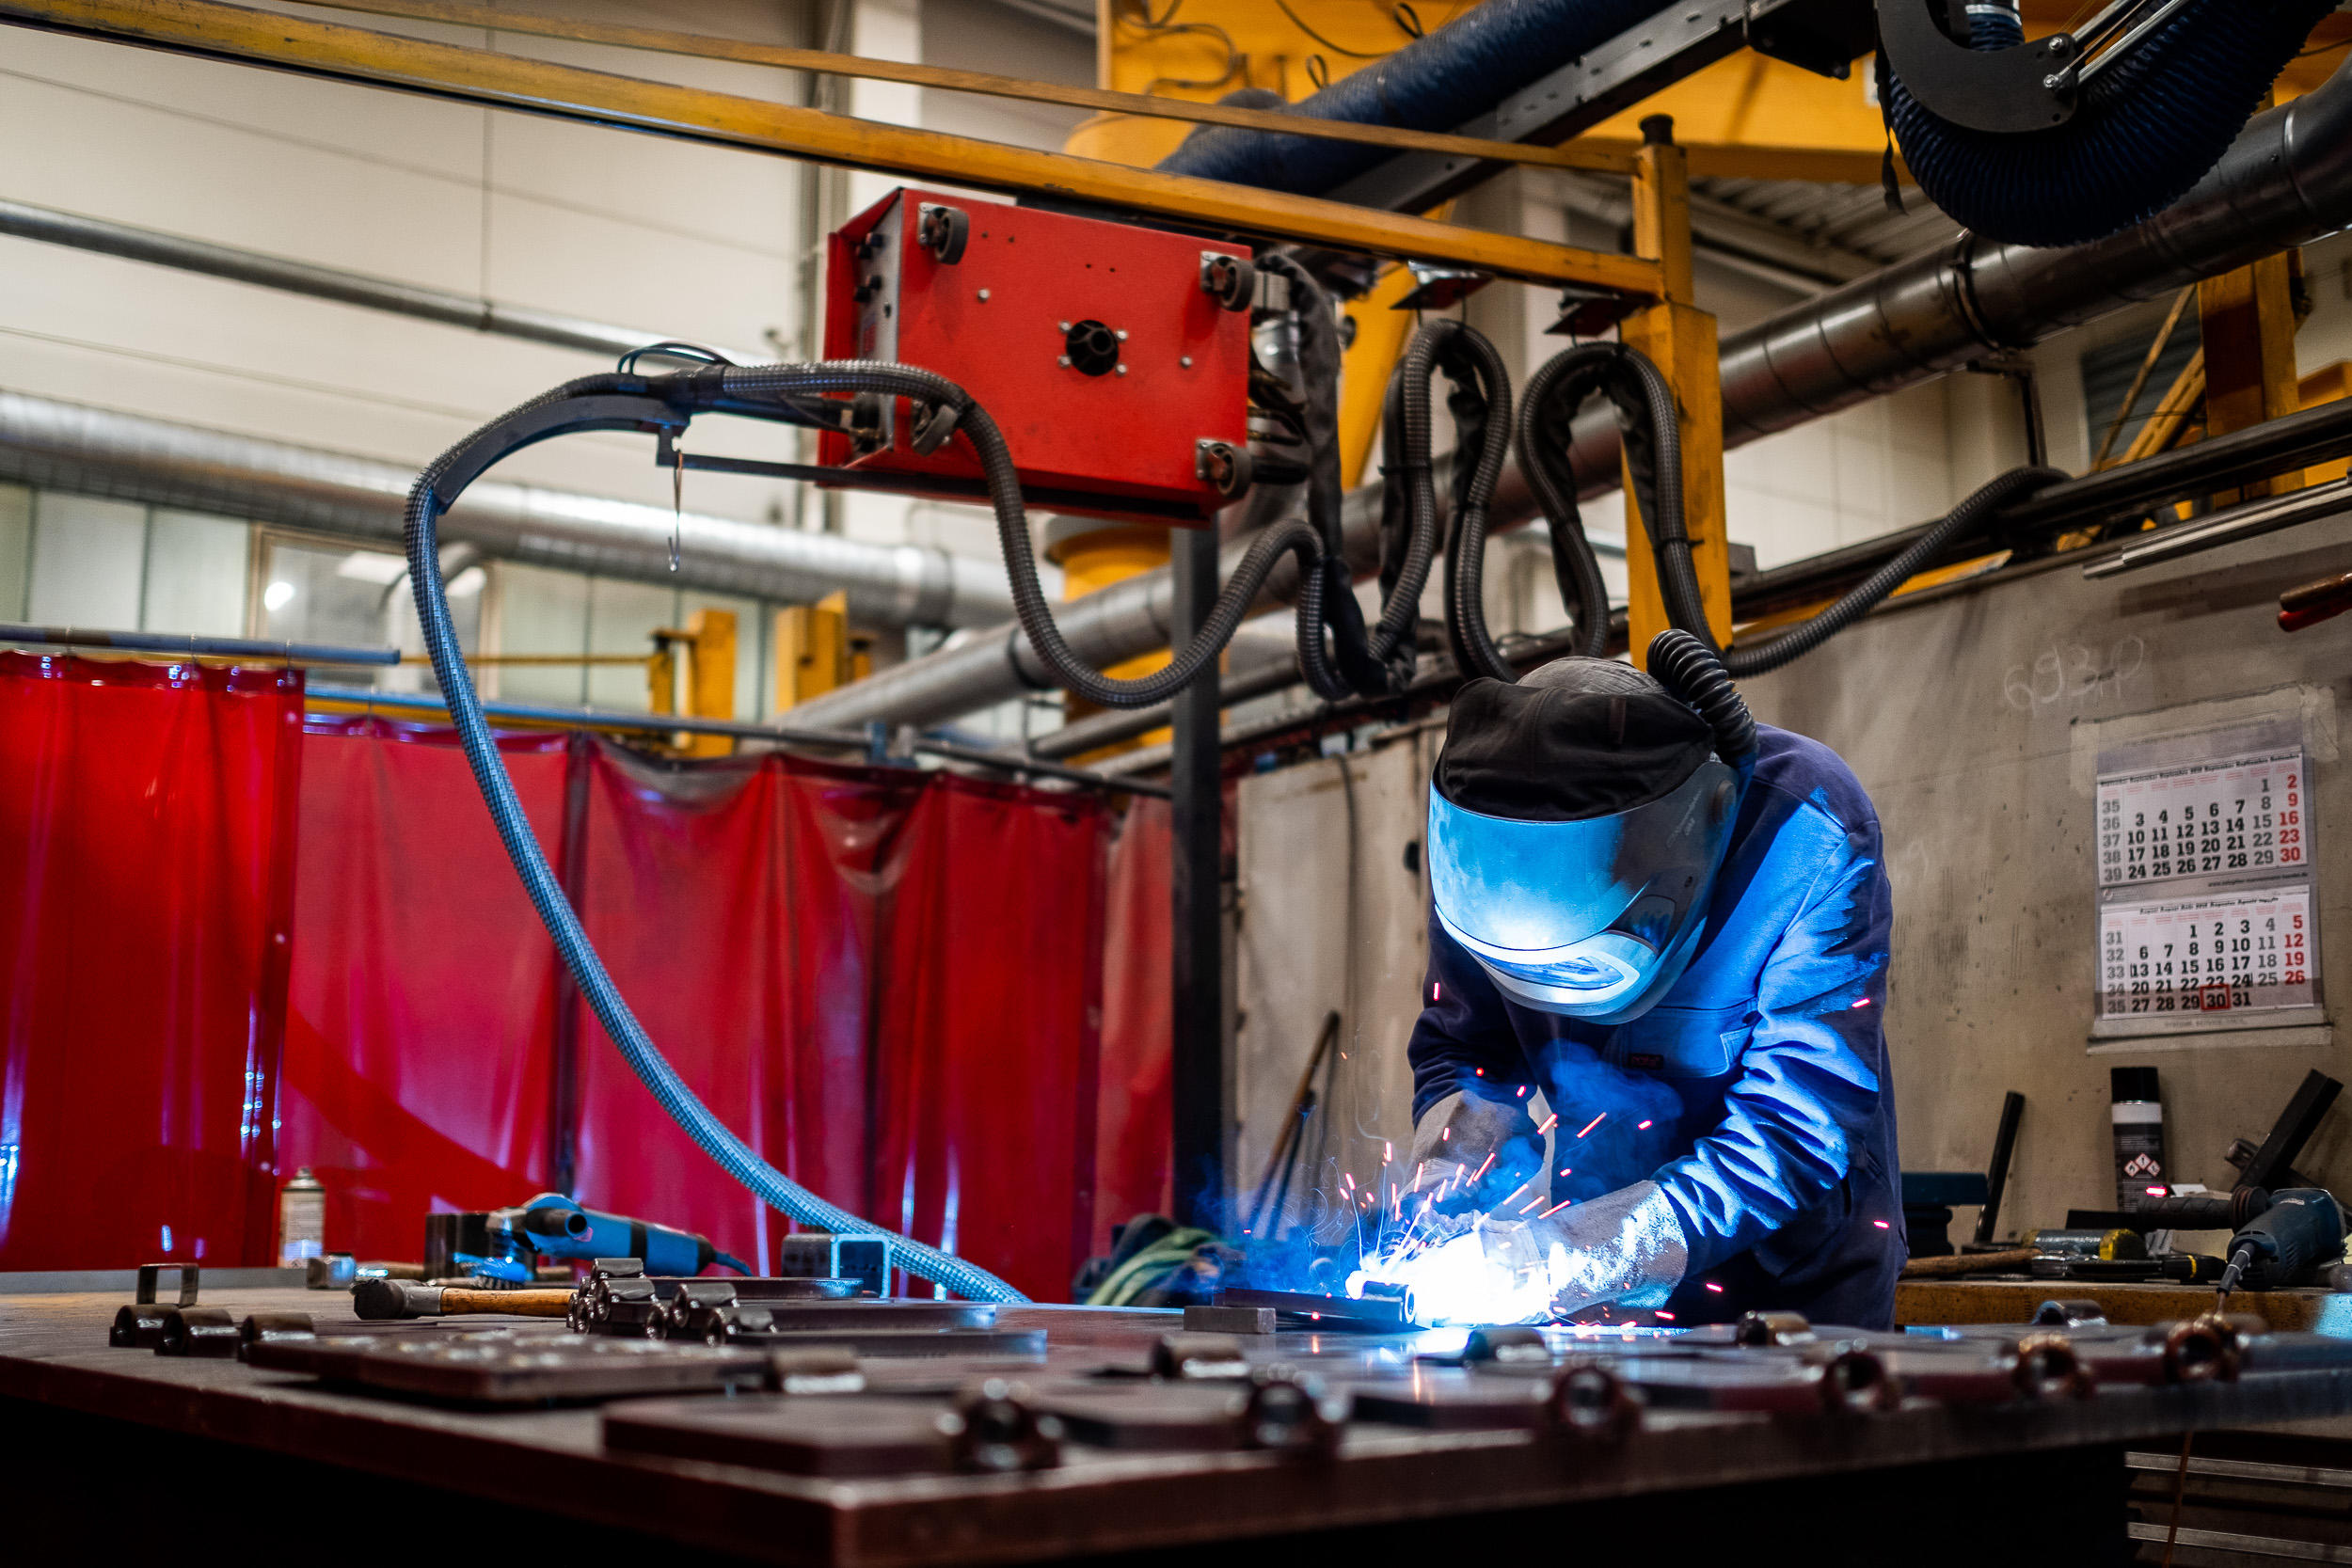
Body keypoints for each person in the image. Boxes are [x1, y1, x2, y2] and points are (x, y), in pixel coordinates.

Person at [1390, 633, 1900, 1329]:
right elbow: (1467, 1045)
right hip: (1587, 1270)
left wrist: (1561, 1260)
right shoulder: (1481, 843)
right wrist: (1454, 1171)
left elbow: (1796, 1125)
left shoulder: (1805, 831)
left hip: (1797, 1281)